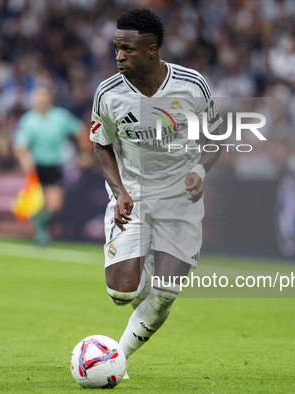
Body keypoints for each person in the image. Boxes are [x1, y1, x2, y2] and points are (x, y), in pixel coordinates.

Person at [90, 8, 223, 371]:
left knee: (164, 295)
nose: (119, 56)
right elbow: (100, 144)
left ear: (152, 49)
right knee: (122, 292)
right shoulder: (108, 94)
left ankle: (115, 358)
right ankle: (144, 262)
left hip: (181, 200)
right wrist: (118, 191)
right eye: (116, 48)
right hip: (133, 196)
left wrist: (199, 169)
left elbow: (215, 139)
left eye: (128, 49)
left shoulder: (191, 86)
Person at [14, 85, 86, 246]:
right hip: (35, 166)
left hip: (55, 164)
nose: (40, 100)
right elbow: (19, 145)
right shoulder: (29, 120)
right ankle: (41, 234)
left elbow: (80, 130)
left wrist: (84, 154)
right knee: (37, 202)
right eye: (37, 97)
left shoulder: (60, 117)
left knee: (55, 205)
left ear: (49, 99)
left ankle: (40, 224)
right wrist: (25, 159)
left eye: (43, 97)